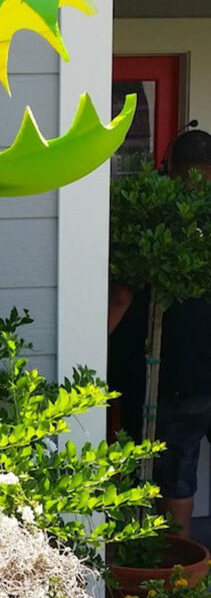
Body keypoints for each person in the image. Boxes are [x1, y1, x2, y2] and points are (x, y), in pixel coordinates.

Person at [108, 129, 211, 539]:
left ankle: (173, 567)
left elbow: (120, 296)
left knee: (165, 473)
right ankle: (180, 575)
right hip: (190, 369)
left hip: (167, 372)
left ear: (170, 169)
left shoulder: (150, 222)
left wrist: (93, 356)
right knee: (178, 470)